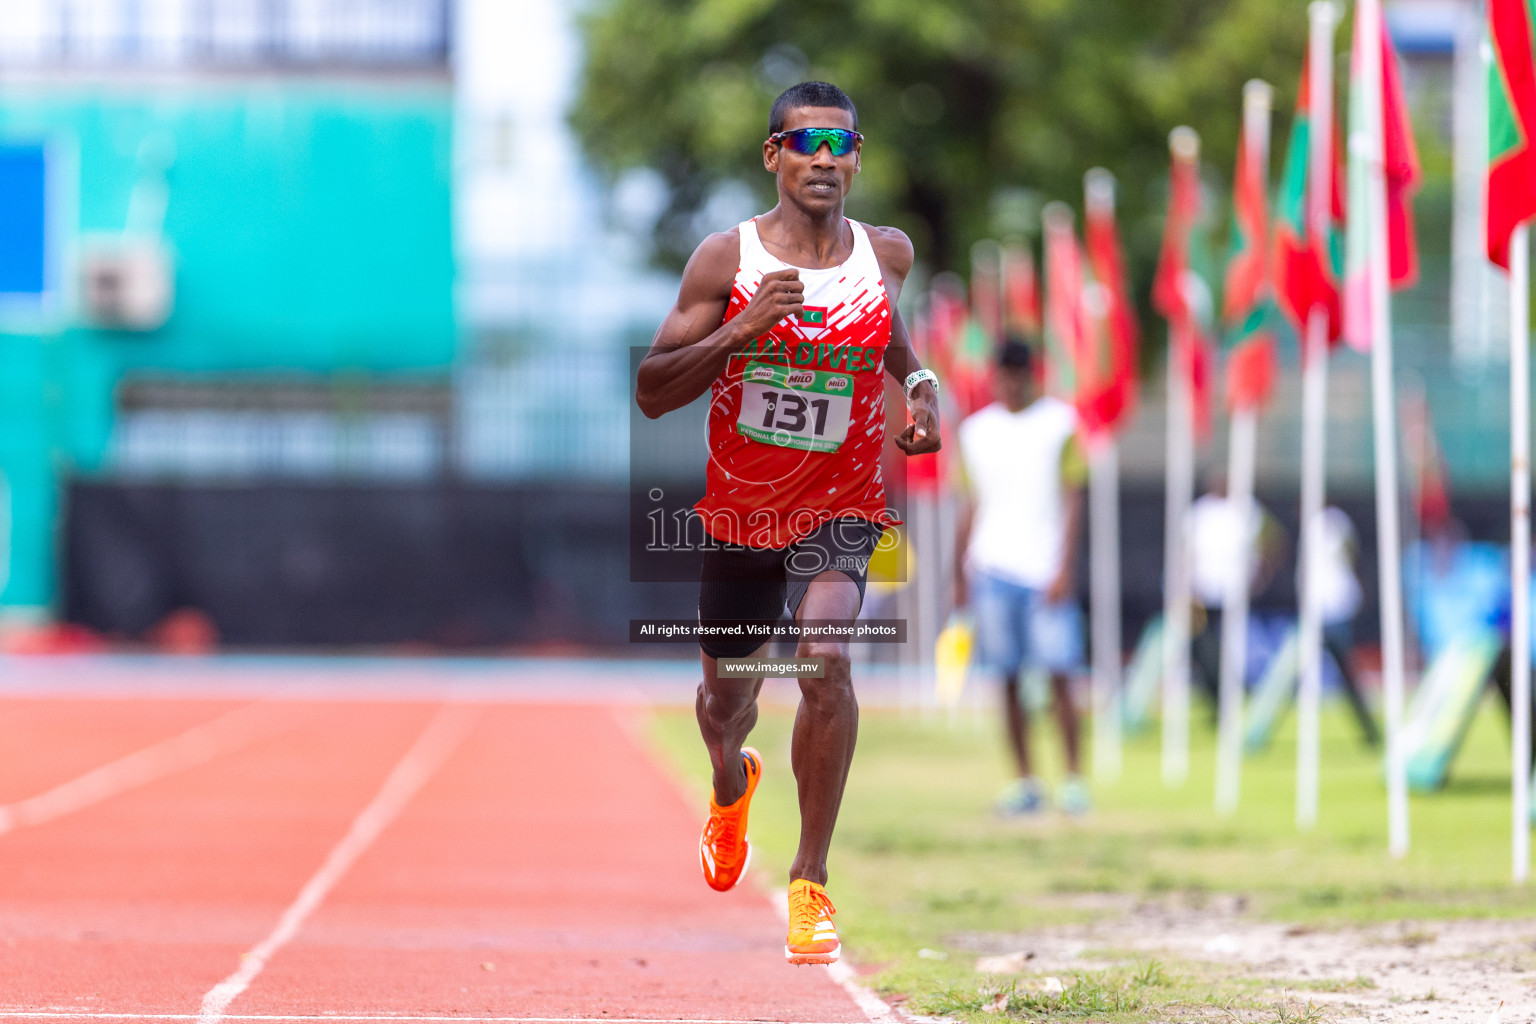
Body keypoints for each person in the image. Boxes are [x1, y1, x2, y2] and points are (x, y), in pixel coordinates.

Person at [634, 81, 940, 965]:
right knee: (725, 703)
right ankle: (732, 788)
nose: (824, 158)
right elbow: (652, 390)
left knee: (826, 662)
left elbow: (890, 340)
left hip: (842, 508)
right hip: (741, 514)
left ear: (856, 158)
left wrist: (916, 394)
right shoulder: (722, 261)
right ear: (773, 156)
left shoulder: (887, 253)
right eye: (805, 142)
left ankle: (811, 883)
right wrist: (741, 331)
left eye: (840, 143)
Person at [953, 339, 1090, 817]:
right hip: (991, 569)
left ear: (1033, 374)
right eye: (1004, 374)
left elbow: (1074, 498)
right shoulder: (975, 432)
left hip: (1044, 571)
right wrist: (959, 571)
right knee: (1006, 678)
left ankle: (1074, 780)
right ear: (995, 376)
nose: (1012, 383)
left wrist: (1064, 566)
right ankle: (1026, 781)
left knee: (1061, 675)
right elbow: (969, 505)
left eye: (1019, 374)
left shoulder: (1060, 424)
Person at [1187, 469, 1285, 717]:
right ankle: (1216, 698)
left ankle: (1239, 698)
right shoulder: (1199, 511)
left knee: (1237, 650)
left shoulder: (1247, 509)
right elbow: (1185, 552)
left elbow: (1272, 541)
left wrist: (1259, 576)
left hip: (1234, 594)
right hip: (1203, 593)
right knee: (1202, 646)